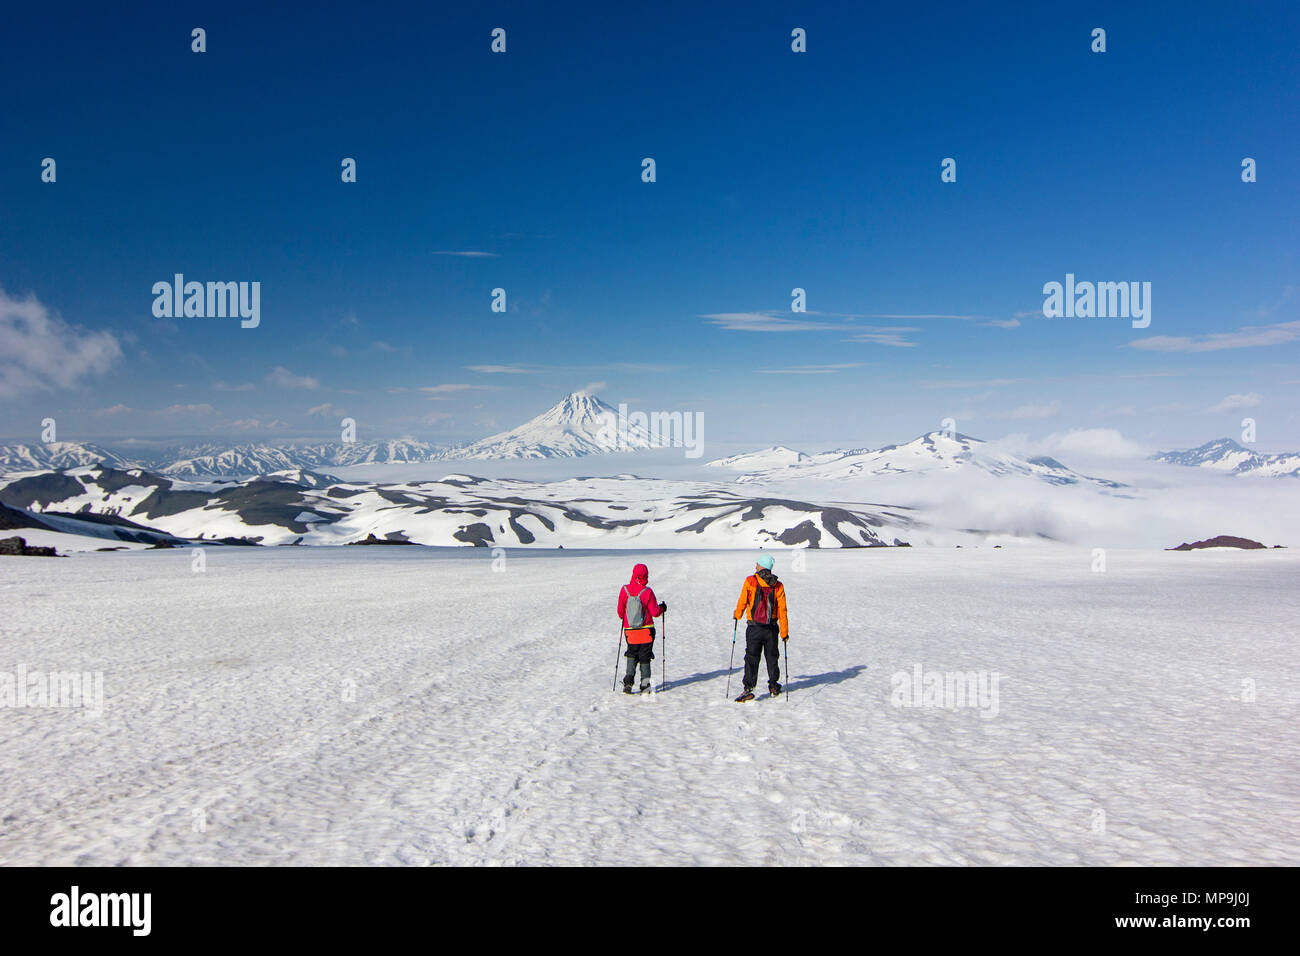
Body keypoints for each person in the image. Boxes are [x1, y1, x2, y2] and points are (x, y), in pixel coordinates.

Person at [732, 553, 788, 702]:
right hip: (771, 628)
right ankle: (774, 686)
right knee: (772, 657)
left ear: (762, 566)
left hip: (754, 628)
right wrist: (784, 632)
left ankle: (748, 689)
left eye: (757, 563)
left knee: (751, 657)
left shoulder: (751, 581)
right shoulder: (778, 585)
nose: (755, 565)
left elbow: (743, 600)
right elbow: (782, 610)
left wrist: (737, 615)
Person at [617, 563, 667, 694]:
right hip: (646, 631)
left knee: (632, 654)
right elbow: (655, 612)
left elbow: (620, 613)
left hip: (630, 631)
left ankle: (628, 682)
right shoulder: (647, 592)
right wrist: (663, 608)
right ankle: (645, 685)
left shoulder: (625, 590)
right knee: (645, 656)